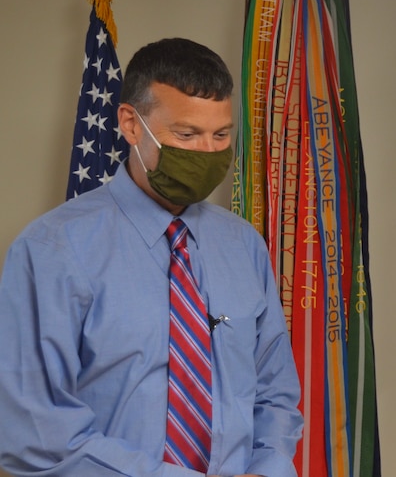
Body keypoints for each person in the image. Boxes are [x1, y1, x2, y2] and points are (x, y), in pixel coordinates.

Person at [0, 38, 303, 476]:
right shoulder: (52, 249)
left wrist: (268, 467)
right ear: (131, 124)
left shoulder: (243, 245)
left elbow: (275, 392)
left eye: (220, 135)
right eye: (185, 134)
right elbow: (34, 429)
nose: (206, 152)